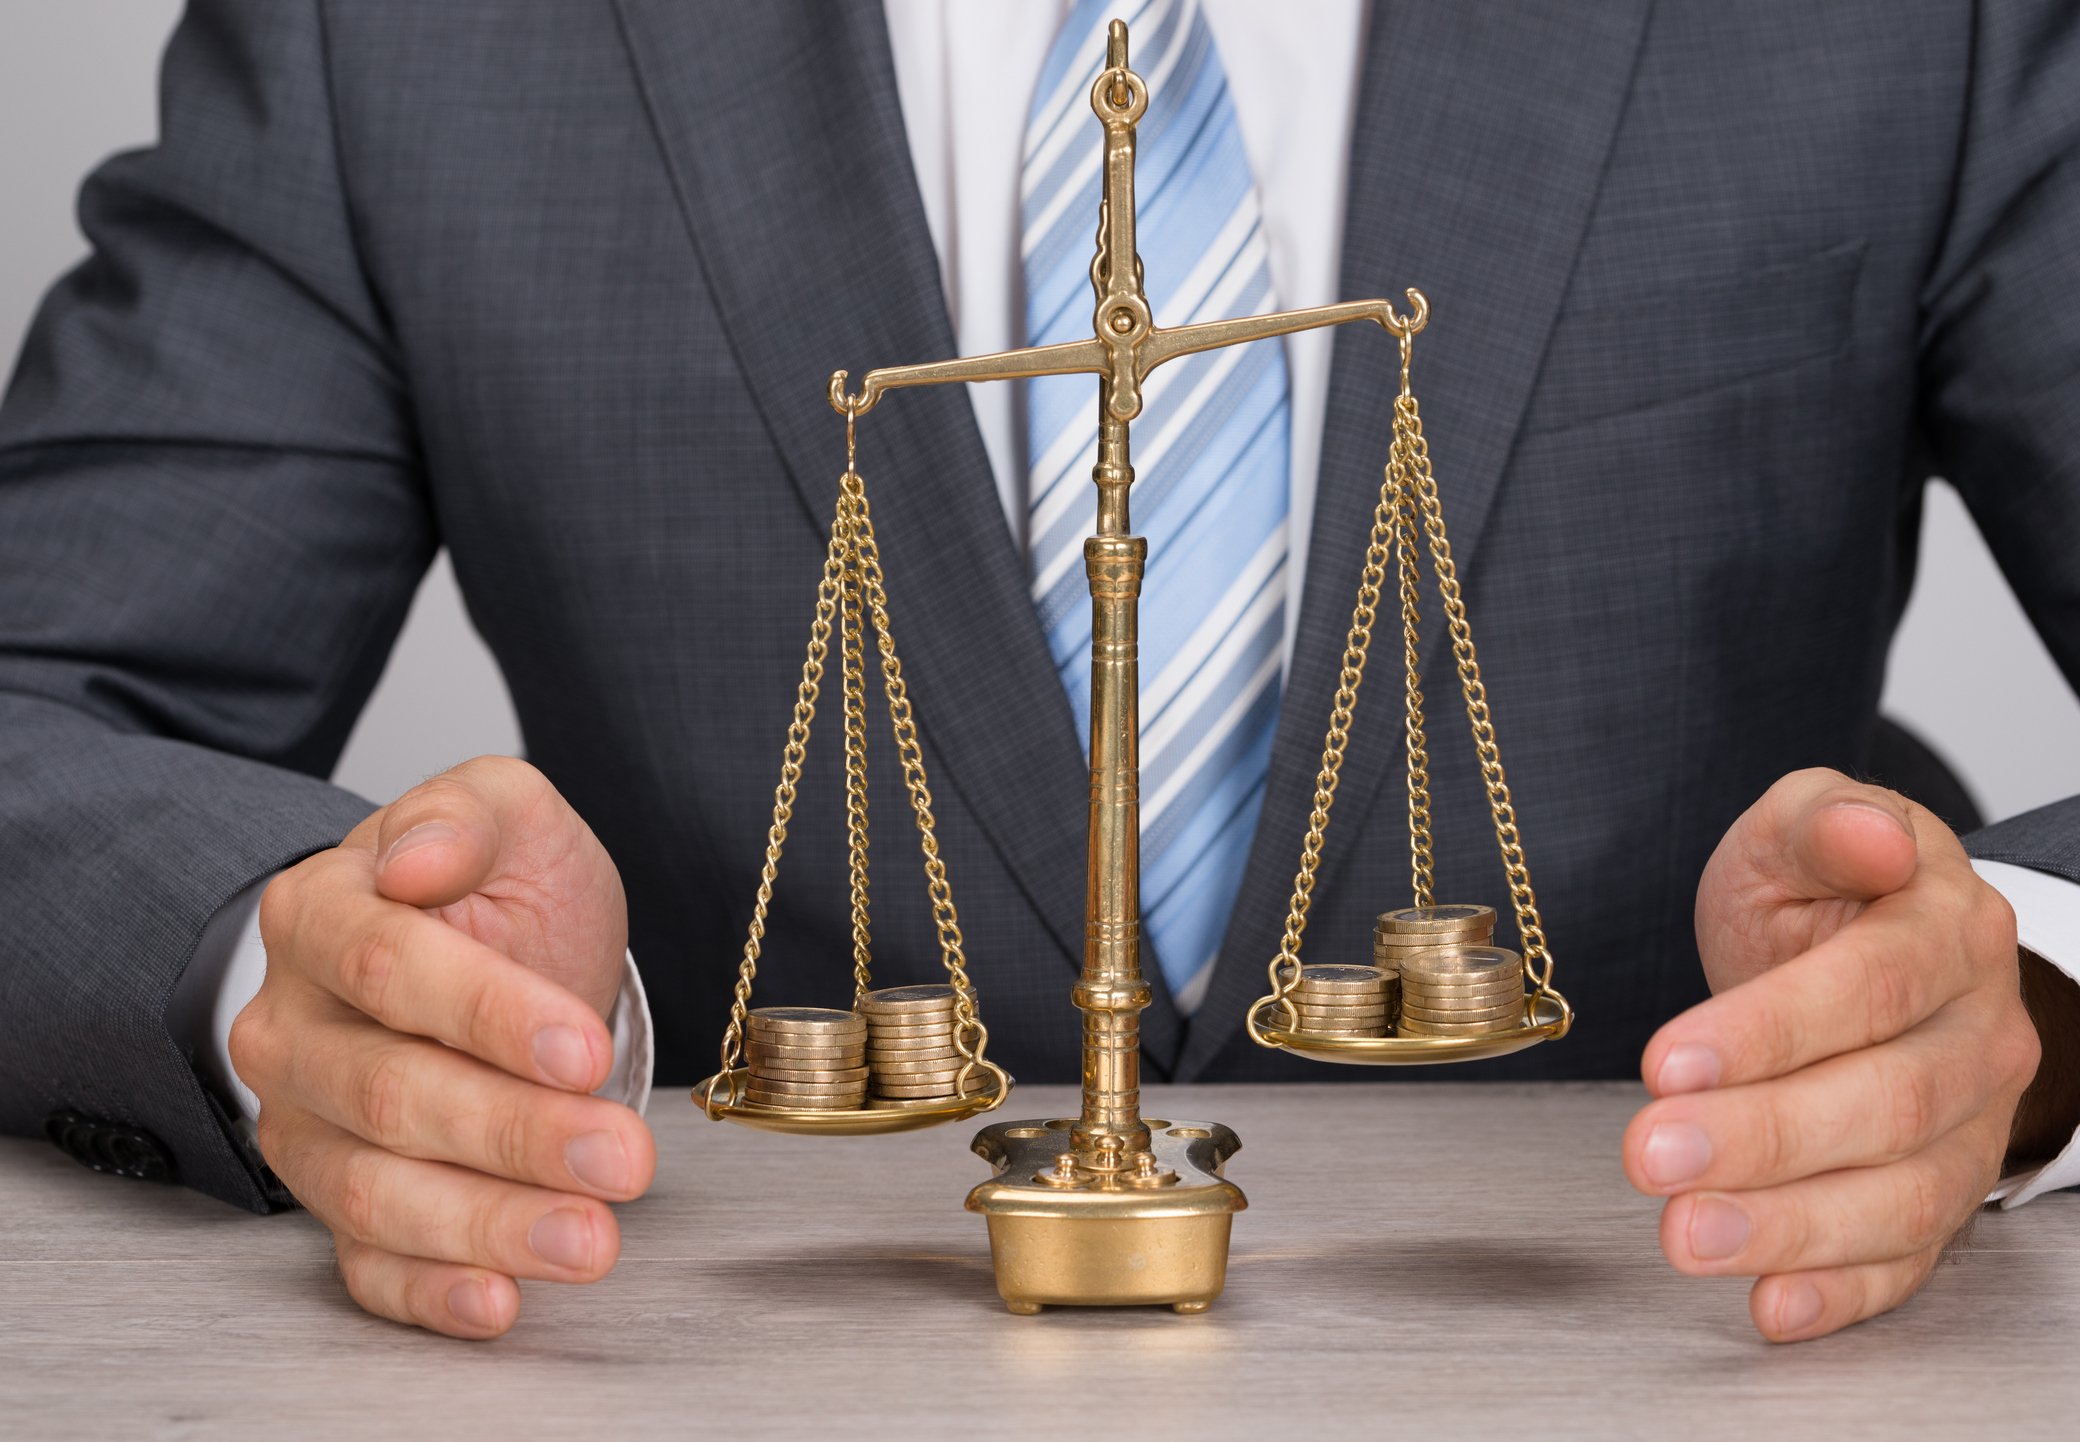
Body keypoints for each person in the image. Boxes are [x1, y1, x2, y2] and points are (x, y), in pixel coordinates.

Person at [2, 0, 2076, 1346]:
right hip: (722, 1362)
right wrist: (307, 987)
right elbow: (37, 702)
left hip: (1683, 1344)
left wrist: (2026, 1003)